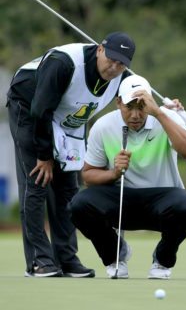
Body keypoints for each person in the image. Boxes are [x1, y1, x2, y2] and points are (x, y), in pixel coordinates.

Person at [6, 31, 135, 277]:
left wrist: (168, 109)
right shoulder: (63, 63)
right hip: (29, 106)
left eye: (121, 64)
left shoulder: (124, 78)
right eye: (111, 59)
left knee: (67, 189)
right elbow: (41, 111)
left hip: (68, 119)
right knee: (37, 183)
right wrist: (44, 157)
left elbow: (140, 99)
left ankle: (66, 259)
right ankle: (39, 261)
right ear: (99, 49)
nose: (114, 67)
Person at [68, 74, 186, 279]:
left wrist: (159, 113)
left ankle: (162, 260)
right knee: (79, 205)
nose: (136, 115)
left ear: (150, 103)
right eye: (129, 107)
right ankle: (115, 254)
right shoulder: (103, 126)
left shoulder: (165, 118)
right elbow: (88, 176)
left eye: (142, 106)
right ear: (118, 102)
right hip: (121, 201)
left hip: (161, 201)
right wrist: (113, 172)